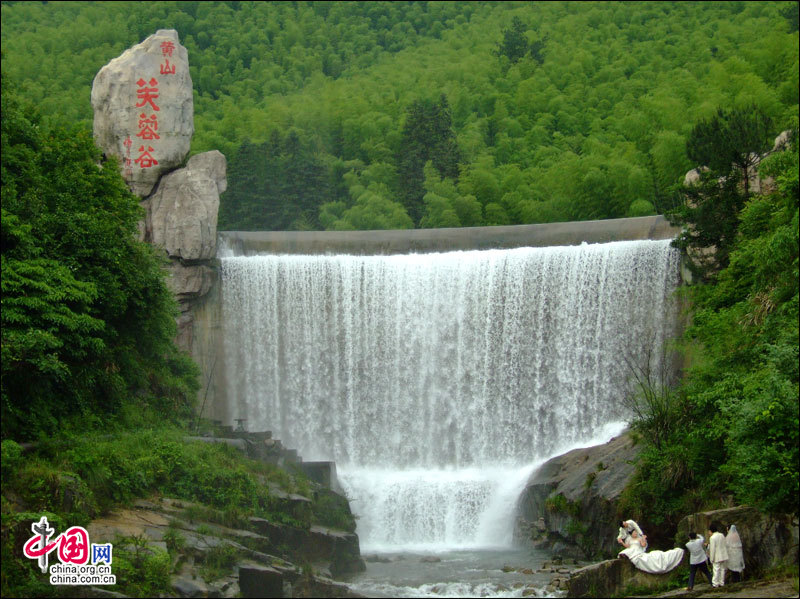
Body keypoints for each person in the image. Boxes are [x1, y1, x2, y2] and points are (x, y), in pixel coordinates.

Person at [618, 530, 684, 574]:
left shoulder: (639, 539)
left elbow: (643, 545)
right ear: (631, 534)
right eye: (634, 532)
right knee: (627, 552)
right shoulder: (629, 540)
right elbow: (627, 546)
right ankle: (625, 556)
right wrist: (622, 542)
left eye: (636, 532)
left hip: (637, 550)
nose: (635, 533)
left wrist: (643, 539)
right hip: (631, 549)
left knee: (653, 555)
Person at [707, 522, 729, 587]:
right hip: (723, 555)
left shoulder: (712, 538)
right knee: (722, 569)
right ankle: (722, 582)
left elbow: (712, 549)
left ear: (711, 531)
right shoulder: (721, 535)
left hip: (717, 556)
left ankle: (715, 584)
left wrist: (711, 558)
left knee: (716, 570)